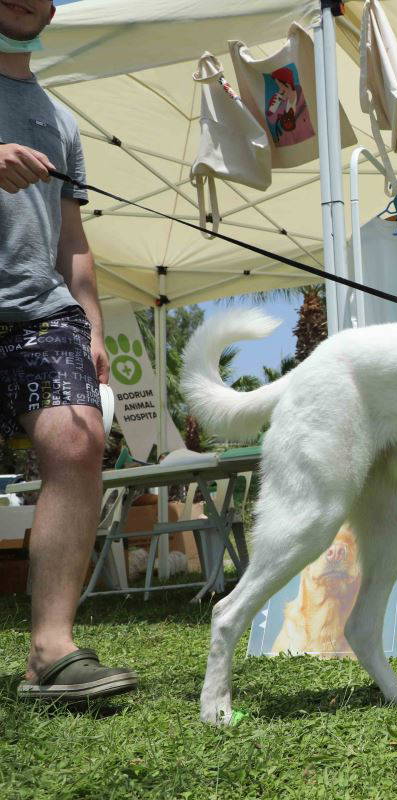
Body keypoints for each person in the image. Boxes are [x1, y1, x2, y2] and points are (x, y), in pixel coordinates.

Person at [1, 0, 138, 701]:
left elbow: (73, 240)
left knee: (79, 441)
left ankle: (50, 654)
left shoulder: (61, 121)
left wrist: (92, 326)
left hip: (40, 312)